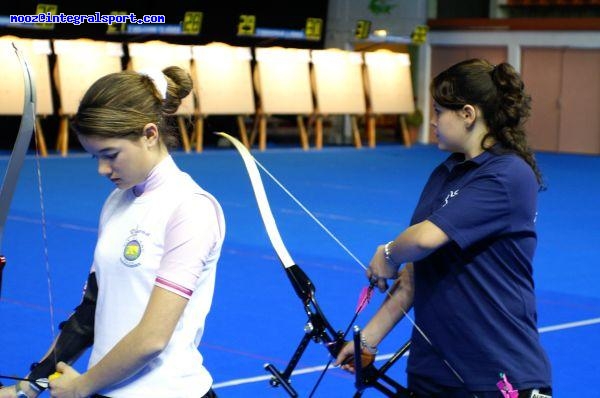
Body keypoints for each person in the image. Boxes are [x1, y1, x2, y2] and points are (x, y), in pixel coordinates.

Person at [0, 66, 225, 398]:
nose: (102, 169)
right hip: (105, 388)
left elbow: (152, 338)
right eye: (95, 157)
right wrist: (29, 386)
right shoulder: (117, 201)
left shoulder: (191, 207)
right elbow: (91, 310)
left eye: (111, 155)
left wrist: (82, 387)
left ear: (150, 134)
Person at [335, 58, 552, 397]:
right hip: (433, 373)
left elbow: (422, 240)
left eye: (439, 111)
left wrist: (388, 253)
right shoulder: (445, 172)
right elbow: (415, 273)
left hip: (499, 374)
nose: (433, 121)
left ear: (468, 114)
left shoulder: (508, 175)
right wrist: (368, 339)